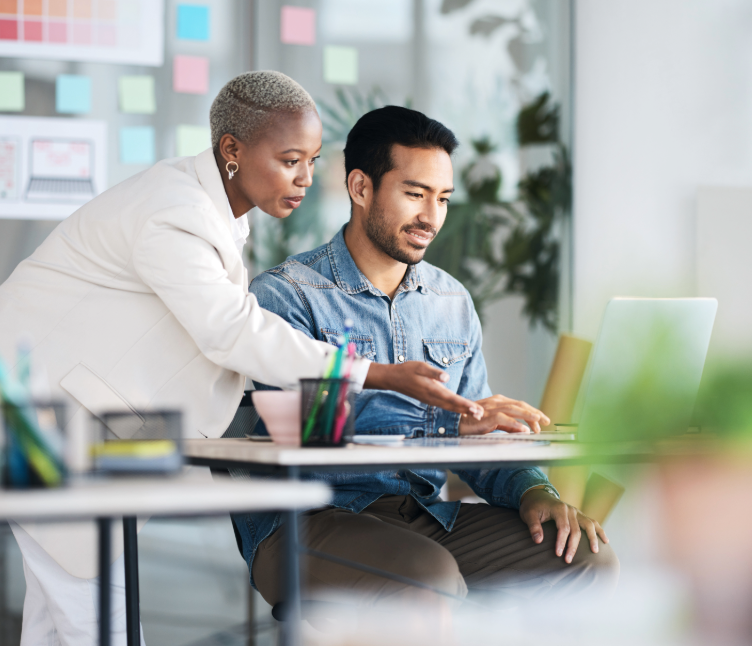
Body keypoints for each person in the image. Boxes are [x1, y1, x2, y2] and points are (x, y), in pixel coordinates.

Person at [0, 73, 485, 645]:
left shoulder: (213, 213)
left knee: (60, 622)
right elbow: (229, 330)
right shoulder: (175, 211)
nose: (306, 179)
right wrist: (377, 374)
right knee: (101, 624)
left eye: (311, 160)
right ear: (232, 150)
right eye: (290, 160)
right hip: (23, 422)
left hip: (55, 424)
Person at [237, 106, 620, 611]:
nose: (431, 217)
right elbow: (311, 438)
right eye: (415, 194)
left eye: (442, 199)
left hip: (424, 516)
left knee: (586, 559)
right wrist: (446, 425)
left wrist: (535, 492)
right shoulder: (287, 296)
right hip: (307, 519)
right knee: (427, 575)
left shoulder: (451, 301)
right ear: (360, 188)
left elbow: (479, 434)